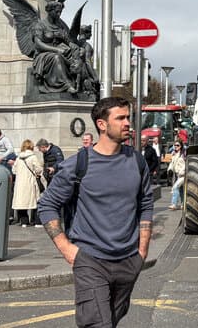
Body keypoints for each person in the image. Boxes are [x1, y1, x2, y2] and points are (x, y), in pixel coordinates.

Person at [38, 97, 153, 327]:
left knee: (111, 318)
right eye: (120, 118)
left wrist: (142, 251)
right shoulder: (78, 164)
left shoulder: (137, 161)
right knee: (98, 323)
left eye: (128, 117)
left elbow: (146, 204)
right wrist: (67, 249)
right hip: (90, 259)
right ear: (102, 124)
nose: (127, 123)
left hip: (128, 260)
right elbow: (47, 204)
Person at [11, 140, 45, 227]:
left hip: (19, 183)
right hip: (30, 182)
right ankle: (37, 222)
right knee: (35, 201)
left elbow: (14, 170)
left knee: (21, 202)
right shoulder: (33, 157)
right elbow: (38, 169)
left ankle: (24, 222)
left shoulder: (18, 158)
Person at [167, 142, 186, 210]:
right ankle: (183, 204)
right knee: (181, 190)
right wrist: (169, 170)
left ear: (181, 146)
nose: (176, 146)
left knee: (175, 187)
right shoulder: (174, 154)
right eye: (174, 145)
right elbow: (172, 163)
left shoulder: (184, 154)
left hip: (183, 175)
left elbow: (186, 163)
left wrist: (182, 171)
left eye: (177, 145)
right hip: (178, 175)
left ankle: (174, 204)